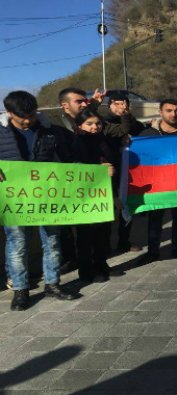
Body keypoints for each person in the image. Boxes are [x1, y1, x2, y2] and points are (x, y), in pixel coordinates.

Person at [0, 91, 77, 310]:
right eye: (21, 117)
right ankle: (21, 290)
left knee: (52, 241)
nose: (27, 121)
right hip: (14, 199)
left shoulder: (49, 130)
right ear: (9, 113)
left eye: (31, 116)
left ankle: (52, 284)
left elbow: (66, 159)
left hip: (47, 195)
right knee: (17, 244)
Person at [49, 87, 106, 273]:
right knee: (68, 229)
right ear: (65, 106)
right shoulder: (54, 126)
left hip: (91, 185)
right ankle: (73, 260)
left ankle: (95, 263)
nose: (84, 104)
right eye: (79, 102)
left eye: (85, 101)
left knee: (93, 230)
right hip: (65, 185)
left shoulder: (90, 124)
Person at [138, 99, 177, 263]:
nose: (173, 114)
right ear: (160, 112)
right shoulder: (147, 135)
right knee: (155, 219)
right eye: (169, 110)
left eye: (176, 111)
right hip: (157, 186)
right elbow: (138, 157)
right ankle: (153, 252)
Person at [71, 109, 121, 283]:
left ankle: (102, 265)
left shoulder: (102, 140)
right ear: (80, 125)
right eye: (89, 124)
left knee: (103, 233)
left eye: (97, 123)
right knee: (86, 236)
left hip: (103, 193)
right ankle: (86, 271)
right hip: (84, 196)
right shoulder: (76, 141)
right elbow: (75, 168)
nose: (95, 127)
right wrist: (100, 169)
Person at [103, 91, 145, 254]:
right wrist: (125, 117)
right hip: (108, 171)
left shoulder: (130, 118)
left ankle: (124, 241)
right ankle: (104, 246)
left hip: (126, 169)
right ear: (109, 105)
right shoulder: (103, 122)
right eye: (116, 103)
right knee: (108, 208)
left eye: (123, 103)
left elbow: (138, 130)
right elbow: (122, 130)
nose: (120, 107)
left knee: (126, 207)